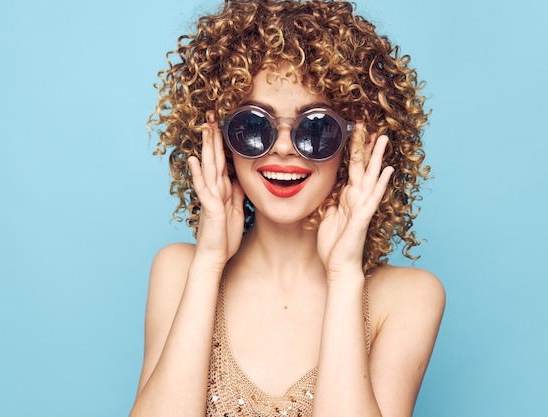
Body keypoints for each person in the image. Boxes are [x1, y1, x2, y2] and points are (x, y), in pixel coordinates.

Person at [130, 0, 445, 416]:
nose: (282, 148)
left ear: (355, 143)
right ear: (221, 139)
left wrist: (344, 274)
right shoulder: (179, 271)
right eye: (254, 126)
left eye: (315, 128)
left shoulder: (407, 299)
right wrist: (207, 264)